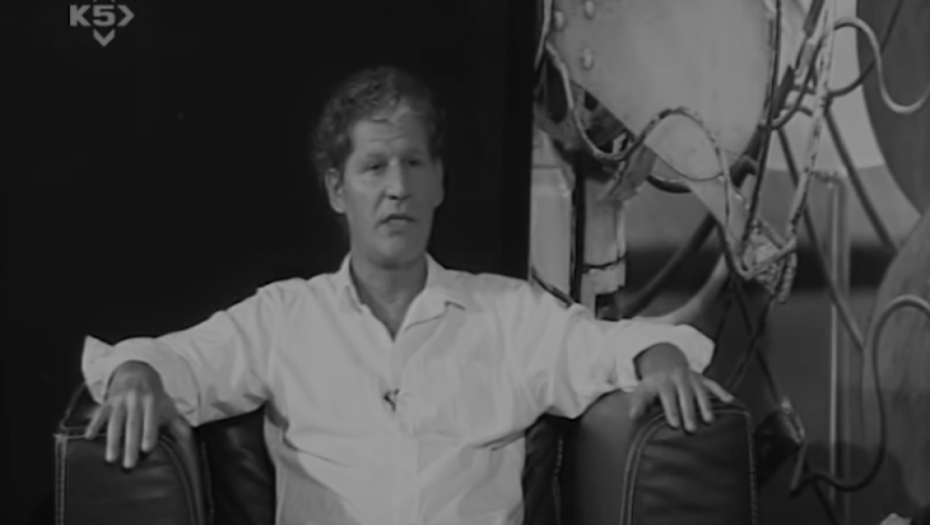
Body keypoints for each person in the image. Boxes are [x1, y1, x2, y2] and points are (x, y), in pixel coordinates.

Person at [82, 66, 734, 525]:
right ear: (337, 190)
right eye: (374, 167)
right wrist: (137, 375)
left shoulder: (508, 314)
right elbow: (177, 361)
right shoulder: (284, 318)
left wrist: (659, 359)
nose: (398, 187)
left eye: (414, 163)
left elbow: (611, 345)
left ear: (439, 181)